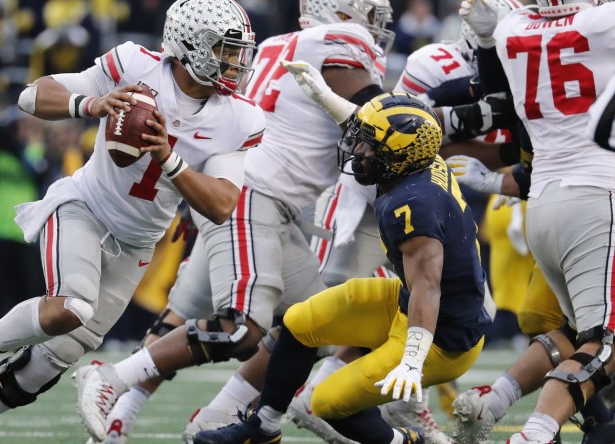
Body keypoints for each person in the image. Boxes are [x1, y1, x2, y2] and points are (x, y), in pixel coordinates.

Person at [0, 0, 265, 442]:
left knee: (49, 363)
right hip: (84, 209)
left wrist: (169, 159)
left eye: (237, 51)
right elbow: (31, 95)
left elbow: (222, 205)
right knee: (72, 306)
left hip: (136, 244)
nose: (234, 62)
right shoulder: (135, 65)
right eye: (224, 50)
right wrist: (91, 104)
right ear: (190, 45)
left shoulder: (240, 117)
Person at [74, 0, 394, 441]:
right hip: (252, 198)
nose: (375, 26)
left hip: (245, 195)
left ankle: (135, 419)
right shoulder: (343, 44)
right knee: (241, 327)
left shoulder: (278, 44)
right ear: (339, 13)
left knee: (319, 322)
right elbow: (380, 119)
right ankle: (111, 378)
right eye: (371, 14)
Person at [193, 91, 492, 444]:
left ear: (401, 155)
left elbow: (429, 286)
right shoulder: (416, 165)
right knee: (301, 321)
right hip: (409, 303)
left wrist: (412, 359)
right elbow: (371, 128)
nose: (358, 152)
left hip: (440, 336)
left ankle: (410, 442)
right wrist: (321, 94)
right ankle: (264, 427)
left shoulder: (414, 206)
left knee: (327, 403)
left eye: (369, 147)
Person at [457, 0, 615, 442]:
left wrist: (488, 40)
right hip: (598, 197)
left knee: (576, 330)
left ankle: (498, 399)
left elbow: (500, 99)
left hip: (543, 201)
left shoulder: (512, 29)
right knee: (606, 341)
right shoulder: (604, 22)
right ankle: (536, 433)